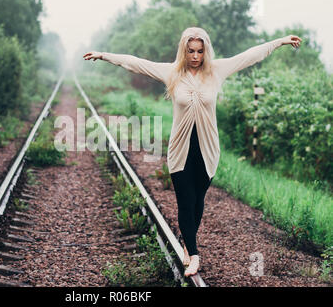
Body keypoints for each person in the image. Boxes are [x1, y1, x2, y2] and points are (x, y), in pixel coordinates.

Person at [83, 27, 301, 277]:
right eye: (190, 51)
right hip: (180, 149)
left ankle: (188, 241)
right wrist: (103, 55)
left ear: (205, 51)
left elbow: (250, 55)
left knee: (198, 203)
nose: (195, 56)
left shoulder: (217, 71)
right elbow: (136, 64)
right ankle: (194, 255)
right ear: (183, 51)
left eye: (199, 51)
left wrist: (280, 42)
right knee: (185, 202)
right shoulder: (172, 72)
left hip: (208, 149)